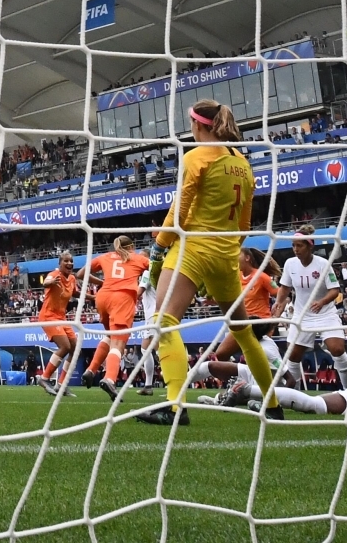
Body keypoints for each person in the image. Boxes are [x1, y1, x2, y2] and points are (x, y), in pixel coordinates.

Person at [136, 99, 282, 426]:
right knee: (243, 333)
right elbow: (244, 225)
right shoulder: (242, 163)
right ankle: (272, 405)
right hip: (226, 254)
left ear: (197, 125)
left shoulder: (195, 157)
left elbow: (179, 211)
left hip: (193, 249)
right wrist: (228, 252)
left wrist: (159, 249)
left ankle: (175, 406)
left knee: (163, 322)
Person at [273, 225, 347, 389]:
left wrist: (322, 301)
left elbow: (335, 290)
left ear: (310, 246)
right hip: (301, 316)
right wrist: (278, 304)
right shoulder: (290, 264)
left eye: (300, 245)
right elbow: (285, 288)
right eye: (293, 245)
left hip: (325, 314)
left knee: (337, 349)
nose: (296, 249)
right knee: (292, 356)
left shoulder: (323, 264)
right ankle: (293, 395)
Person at [77, 236, 149, 401]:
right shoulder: (138, 258)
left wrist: (103, 282)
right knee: (119, 343)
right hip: (122, 298)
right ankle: (110, 379)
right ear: (132, 246)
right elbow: (158, 269)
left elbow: (80, 274)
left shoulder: (105, 256)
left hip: (103, 298)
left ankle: (91, 369)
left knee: (110, 336)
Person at [196, 322, 294, 407]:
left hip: (265, 385)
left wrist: (275, 398)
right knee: (209, 365)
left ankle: (219, 400)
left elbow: (291, 380)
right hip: (252, 372)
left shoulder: (266, 350)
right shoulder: (254, 341)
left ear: (248, 332)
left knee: (243, 395)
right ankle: (182, 382)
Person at [213, 247, 280, 359]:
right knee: (221, 354)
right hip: (242, 323)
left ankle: (281, 374)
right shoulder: (236, 277)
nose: (234, 258)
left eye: (237, 255)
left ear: (247, 258)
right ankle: (235, 376)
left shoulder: (262, 276)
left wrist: (276, 317)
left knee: (257, 358)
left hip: (260, 324)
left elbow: (281, 296)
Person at [35, 252, 80, 397]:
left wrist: (93, 297)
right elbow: (46, 282)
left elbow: (75, 293)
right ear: (60, 263)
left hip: (61, 317)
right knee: (65, 346)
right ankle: (44, 378)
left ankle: (61, 385)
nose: (69, 263)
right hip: (48, 316)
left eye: (71, 261)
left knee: (74, 347)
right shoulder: (54, 274)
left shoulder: (72, 278)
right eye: (66, 261)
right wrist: (50, 283)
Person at [136, 265, 158, 396]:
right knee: (145, 349)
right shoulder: (157, 271)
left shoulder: (147, 271)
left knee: (159, 348)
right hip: (155, 313)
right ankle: (148, 385)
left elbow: (138, 292)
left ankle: (176, 382)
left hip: (153, 315)